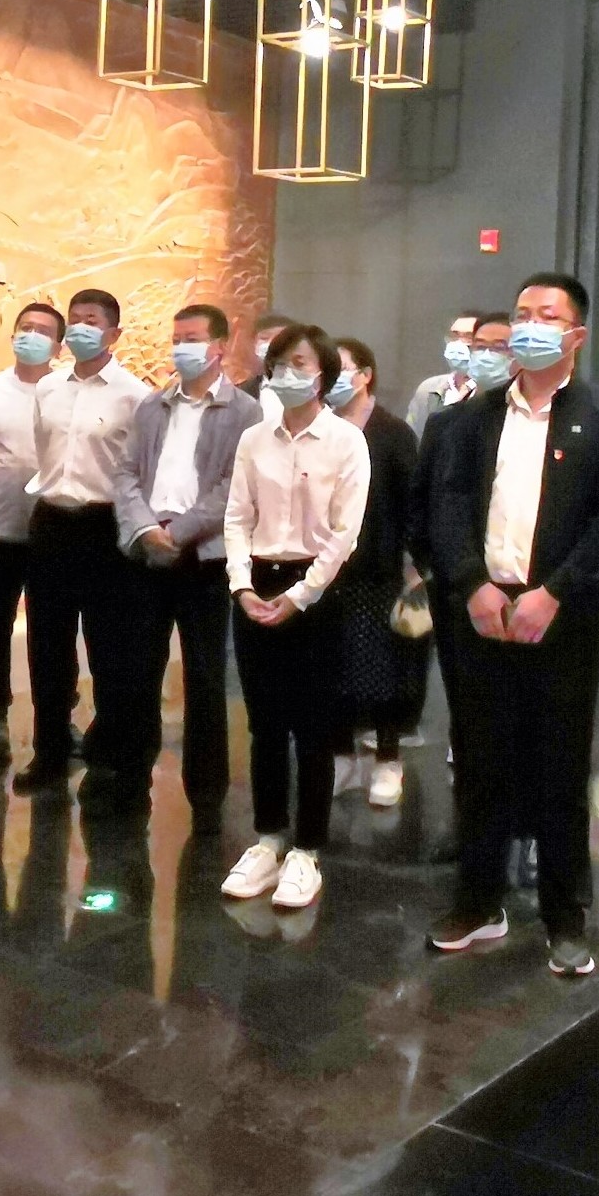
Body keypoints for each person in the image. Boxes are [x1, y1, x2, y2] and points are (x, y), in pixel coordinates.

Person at [425, 274, 599, 979]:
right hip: (482, 612)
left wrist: (555, 591)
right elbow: (448, 505)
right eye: (522, 313)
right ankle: (478, 899)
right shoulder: (472, 417)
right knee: (479, 759)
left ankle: (563, 913)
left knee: (559, 763)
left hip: (560, 616)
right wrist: (470, 584)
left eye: (546, 315)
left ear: (575, 335)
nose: (528, 326)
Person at [218, 324, 372, 910]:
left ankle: (307, 849)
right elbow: (237, 516)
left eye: (300, 363)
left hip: (317, 590)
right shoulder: (254, 439)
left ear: (323, 374)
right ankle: (267, 839)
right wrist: (241, 585)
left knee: (313, 726)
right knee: (263, 724)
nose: (287, 372)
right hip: (257, 583)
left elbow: (344, 532)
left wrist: (302, 595)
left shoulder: (346, 441)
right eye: (280, 362)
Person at [106, 302, 259, 828]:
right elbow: (126, 474)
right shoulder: (152, 406)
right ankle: (132, 781)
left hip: (204, 560)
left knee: (205, 678)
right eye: (176, 339)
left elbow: (235, 486)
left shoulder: (245, 412)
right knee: (137, 672)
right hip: (147, 553)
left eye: (191, 339)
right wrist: (145, 529)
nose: (181, 349)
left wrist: (181, 531)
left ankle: (207, 795)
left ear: (219, 347)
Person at [22, 288, 150, 795]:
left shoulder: (134, 395)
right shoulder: (48, 388)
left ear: (113, 333)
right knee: (47, 647)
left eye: (91, 321)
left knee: (109, 649)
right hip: (51, 522)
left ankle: (110, 755)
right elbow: (43, 450)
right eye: (74, 319)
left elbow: (138, 470)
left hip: (105, 529)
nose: (80, 328)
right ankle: (50, 751)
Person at [324, 338, 424, 808]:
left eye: (344, 367)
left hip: (380, 569)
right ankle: (342, 756)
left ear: (365, 375)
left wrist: (414, 567)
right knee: (333, 667)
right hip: (327, 569)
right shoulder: (320, 426)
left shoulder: (392, 432)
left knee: (385, 668)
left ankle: (387, 759)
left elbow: (411, 504)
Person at [411, 313, 515, 761]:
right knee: (464, 691)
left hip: (516, 578)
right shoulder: (446, 422)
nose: (486, 355)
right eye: (480, 346)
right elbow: (424, 498)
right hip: (456, 581)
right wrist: (430, 564)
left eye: (499, 347)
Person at [0, 304, 61, 769]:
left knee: (52, 634)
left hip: (52, 531)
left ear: (58, 345)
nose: (32, 336)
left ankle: (57, 722)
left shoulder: (66, 391)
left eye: (43, 331)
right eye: (26, 328)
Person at [405, 312, 481, 435]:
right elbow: (411, 437)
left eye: (468, 336)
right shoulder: (428, 389)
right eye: (454, 335)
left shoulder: (488, 390)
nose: (458, 343)